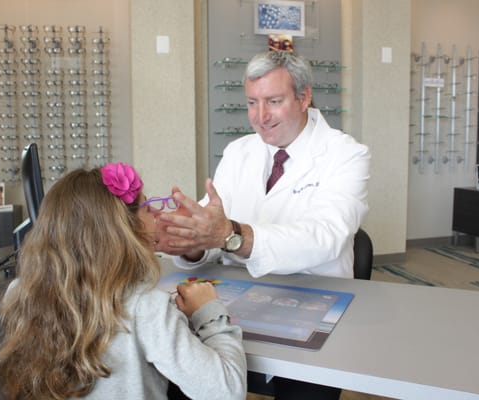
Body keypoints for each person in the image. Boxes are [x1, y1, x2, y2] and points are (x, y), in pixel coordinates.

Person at [155, 50, 370, 400]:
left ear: (304, 97)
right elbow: (214, 229)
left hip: (312, 303)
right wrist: (191, 241)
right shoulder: (239, 152)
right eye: (252, 103)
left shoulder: (346, 155)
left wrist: (233, 236)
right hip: (236, 301)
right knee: (183, 381)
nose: (260, 117)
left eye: (273, 101)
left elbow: (326, 237)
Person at [0, 163, 247, 400]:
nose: (157, 215)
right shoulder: (146, 309)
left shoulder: (20, 291)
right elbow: (226, 391)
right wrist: (209, 313)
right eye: (148, 208)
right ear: (126, 229)